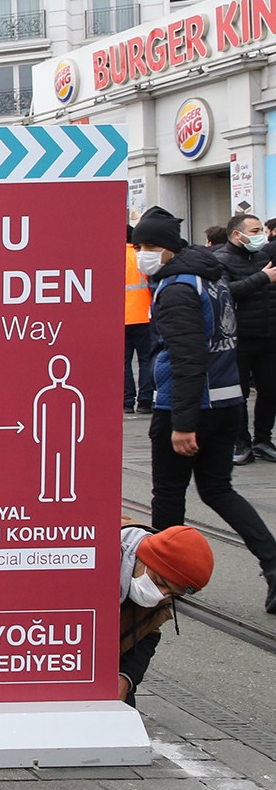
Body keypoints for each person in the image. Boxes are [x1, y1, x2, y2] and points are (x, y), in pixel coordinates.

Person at [133, 205, 276, 613]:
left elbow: (187, 358)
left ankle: (160, 578)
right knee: (217, 490)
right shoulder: (208, 278)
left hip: (190, 404)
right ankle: (272, 562)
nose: (141, 253)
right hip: (228, 400)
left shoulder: (177, 289)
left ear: (164, 248)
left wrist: (182, 422)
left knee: (169, 495)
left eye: (146, 246)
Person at [117, 523, 214, 704]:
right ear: (142, 558)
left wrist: (126, 678)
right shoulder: (93, 558)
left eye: (172, 593)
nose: (160, 595)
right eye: (159, 581)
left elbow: (147, 634)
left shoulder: (162, 595)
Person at [213, 212, 276, 464]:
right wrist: (262, 278)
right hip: (237, 339)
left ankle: (263, 439)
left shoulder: (264, 257)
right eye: (254, 231)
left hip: (268, 335)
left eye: (261, 229)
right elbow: (224, 293)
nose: (260, 235)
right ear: (236, 234)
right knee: (237, 394)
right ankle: (241, 442)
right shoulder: (220, 260)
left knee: (270, 391)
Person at [124, 229, 156, 414]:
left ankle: (127, 402)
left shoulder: (110, 256)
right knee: (146, 360)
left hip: (120, 318)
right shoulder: (140, 256)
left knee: (123, 362)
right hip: (144, 315)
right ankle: (145, 400)